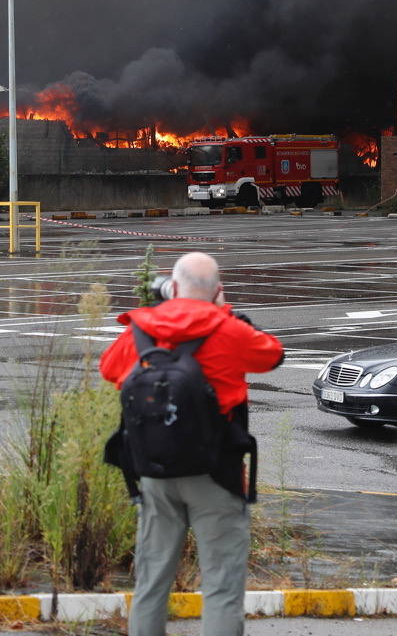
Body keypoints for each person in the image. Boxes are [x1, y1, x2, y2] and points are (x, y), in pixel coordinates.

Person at [99, 252, 284, 636]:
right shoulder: (229, 329)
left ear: (174, 285)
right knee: (221, 584)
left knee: (151, 580)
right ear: (217, 290)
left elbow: (109, 369)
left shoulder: (141, 329)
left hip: (153, 470)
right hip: (217, 473)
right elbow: (273, 355)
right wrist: (227, 313)